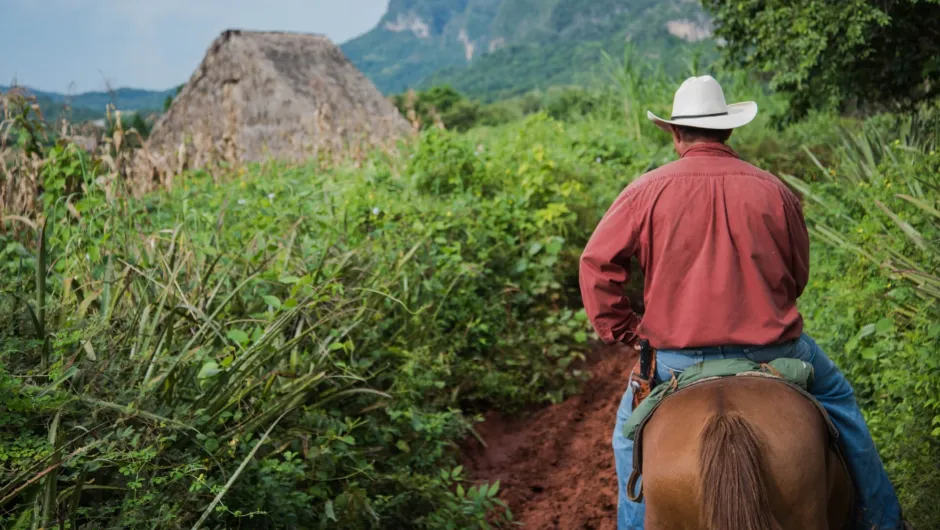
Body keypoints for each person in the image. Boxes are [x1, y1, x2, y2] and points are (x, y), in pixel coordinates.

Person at [578, 75, 910, 530]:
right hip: (774, 352)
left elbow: (596, 265)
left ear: (675, 134)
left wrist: (625, 329)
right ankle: (884, 521)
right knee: (840, 402)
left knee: (626, 441)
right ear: (729, 130)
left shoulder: (644, 191)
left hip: (676, 361)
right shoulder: (773, 189)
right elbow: (797, 276)